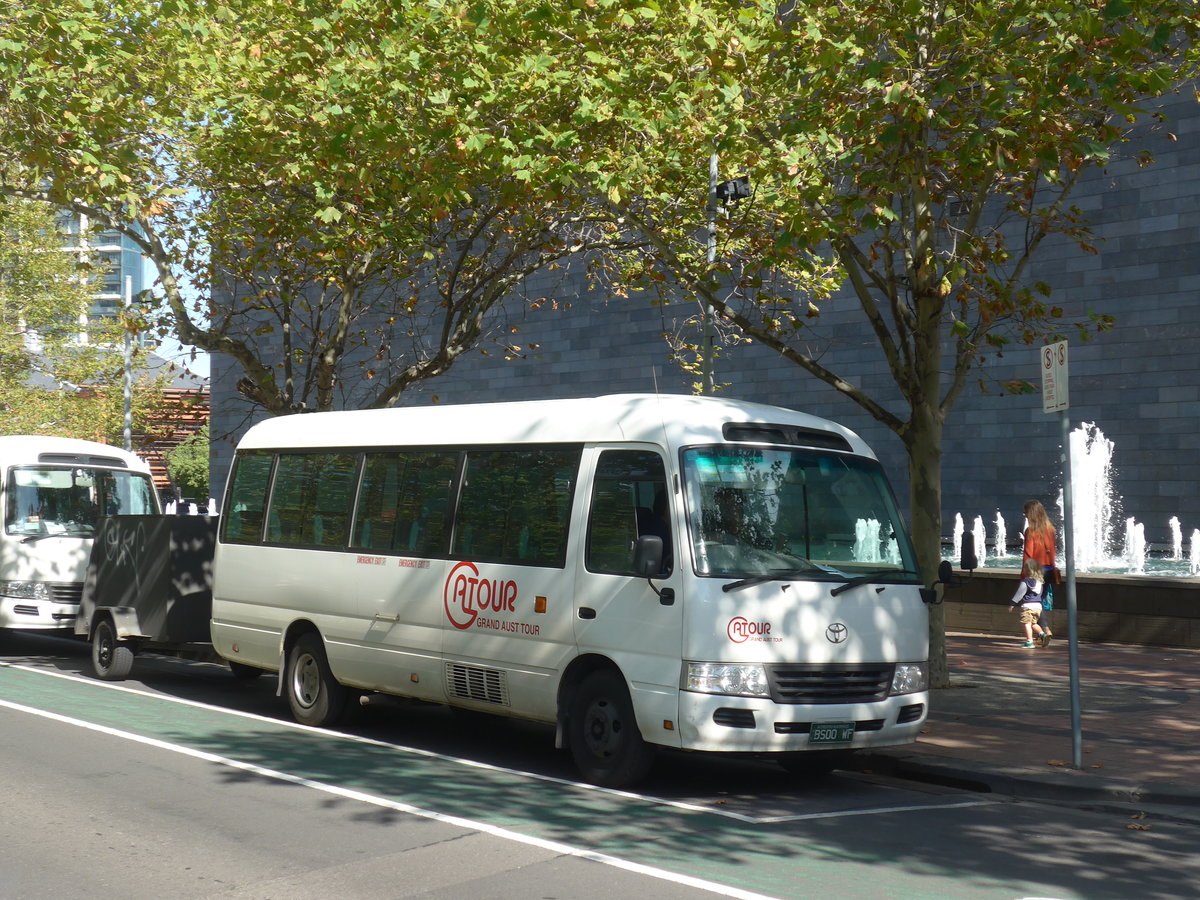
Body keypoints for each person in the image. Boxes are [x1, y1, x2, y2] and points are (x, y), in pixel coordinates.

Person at [1022, 499, 1057, 648]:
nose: (1024, 515)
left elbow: (1028, 555)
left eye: (1026, 512)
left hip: (1035, 572)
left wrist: (1024, 576)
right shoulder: (1050, 529)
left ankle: (1045, 631)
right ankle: (1043, 632)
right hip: (1048, 570)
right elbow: (1053, 553)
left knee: (1032, 602)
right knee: (1039, 602)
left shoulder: (1031, 531)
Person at [1009, 557, 1049, 648]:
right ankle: (1042, 634)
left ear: (1026, 570)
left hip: (1027, 606)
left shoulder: (1025, 582)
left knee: (1026, 624)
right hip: (1038, 606)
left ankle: (1029, 642)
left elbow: (1019, 594)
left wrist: (1012, 604)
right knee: (1034, 624)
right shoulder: (1040, 582)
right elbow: (1040, 594)